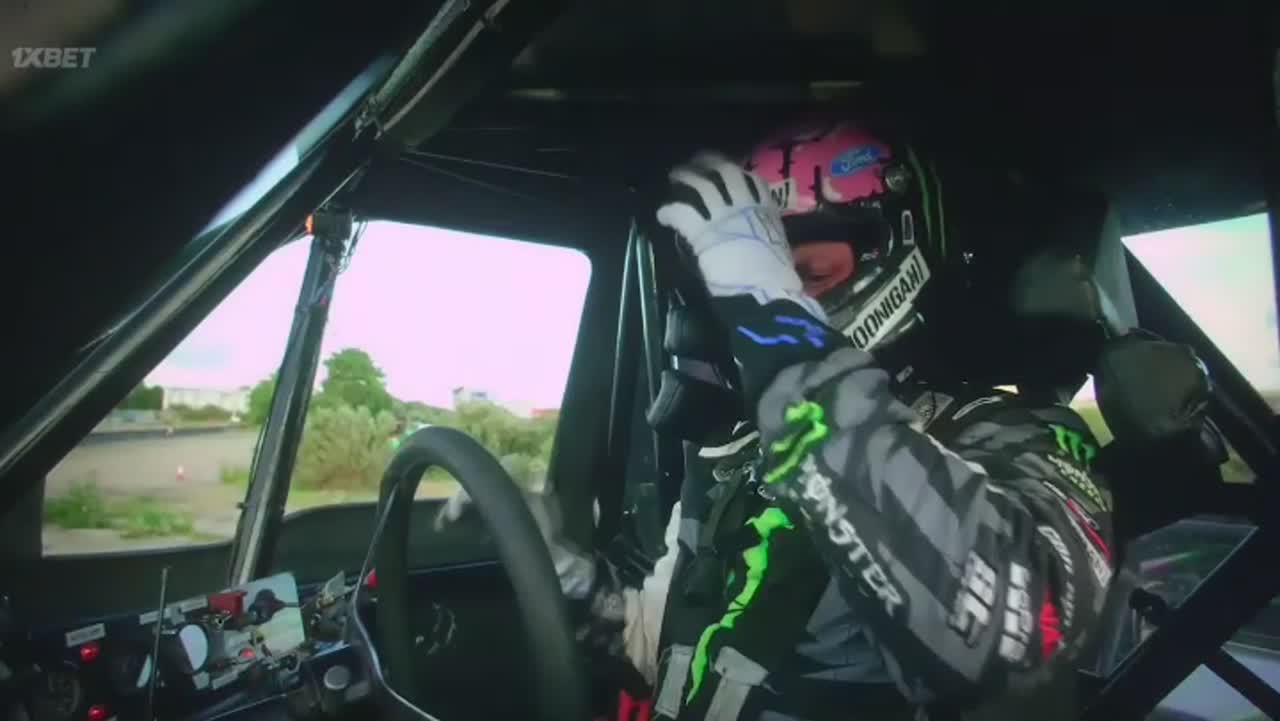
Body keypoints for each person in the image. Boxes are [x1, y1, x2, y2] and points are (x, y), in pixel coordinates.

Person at [438, 118, 1115, 721]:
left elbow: (1019, 635)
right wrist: (562, 572)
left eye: (808, 273)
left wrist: (773, 325)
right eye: (759, 276)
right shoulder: (737, 454)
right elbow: (662, 650)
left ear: (896, 256)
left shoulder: (1014, 432)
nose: (772, 298)